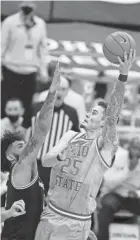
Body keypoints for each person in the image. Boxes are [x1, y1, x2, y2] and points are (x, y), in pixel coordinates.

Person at [34, 50, 136, 240]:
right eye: (89, 111)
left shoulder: (104, 146)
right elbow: (46, 161)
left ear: (104, 122)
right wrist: (59, 156)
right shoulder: (70, 135)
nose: (88, 113)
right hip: (50, 213)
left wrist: (122, 77)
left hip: (74, 221)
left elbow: (113, 114)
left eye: (95, 113)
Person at [1, 62, 60, 240]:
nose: (26, 145)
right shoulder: (20, 167)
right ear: (9, 155)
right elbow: (41, 130)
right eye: (20, 146)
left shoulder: (27, 172)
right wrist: (51, 94)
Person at [1, 1, 48, 128]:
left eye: (30, 8)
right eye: (24, 8)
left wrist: (43, 71)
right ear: (20, 7)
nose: (27, 11)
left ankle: (22, 139)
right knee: (6, 106)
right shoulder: (9, 22)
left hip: (29, 72)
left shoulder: (40, 24)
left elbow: (43, 49)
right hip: (11, 70)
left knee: (27, 107)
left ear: (34, 8)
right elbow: (1, 46)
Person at [33, 75, 80, 194]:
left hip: (57, 165)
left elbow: (75, 140)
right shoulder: (35, 108)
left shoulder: (72, 113)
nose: (59, 92)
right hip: (35, 162)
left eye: (63, 89)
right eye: (57, 88)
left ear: (67, 92)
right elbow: (23, 132)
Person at [95, 137, 140, 240]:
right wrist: (128, 170)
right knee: (106, 208)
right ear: (129, 147)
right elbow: (108, 182)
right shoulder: (118, 157)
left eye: (139, 148)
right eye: (134, 148)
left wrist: (137, 193)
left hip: (133, 197)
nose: (136, 151)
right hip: (115, 194)